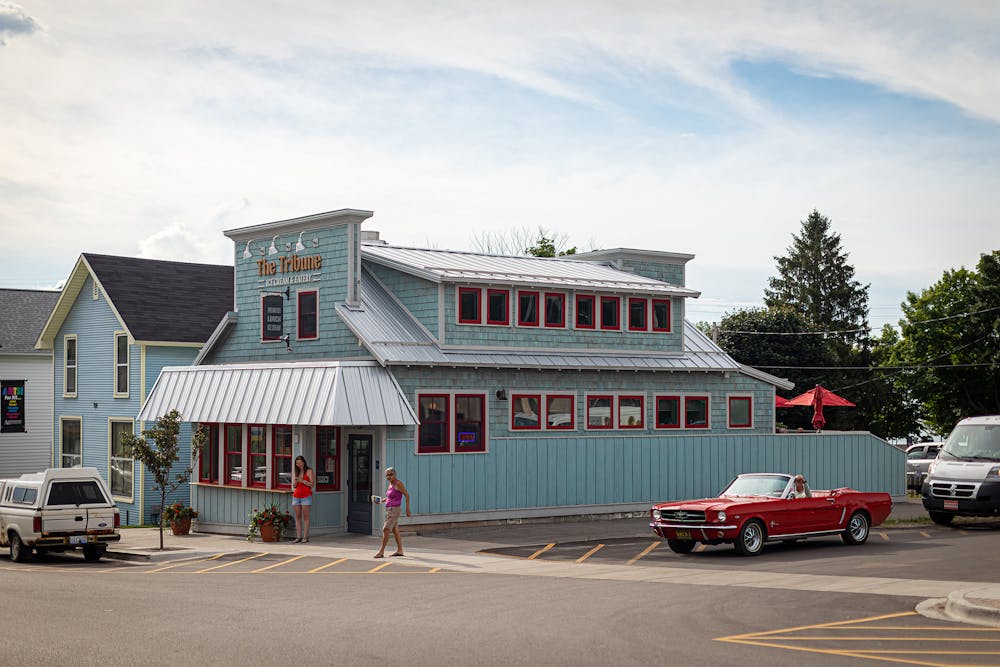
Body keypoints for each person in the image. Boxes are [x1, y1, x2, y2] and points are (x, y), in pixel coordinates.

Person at [373, 467, 411, 558]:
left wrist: (407, 509)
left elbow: (406, 495)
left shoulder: (398, 483)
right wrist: (381, 500)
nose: (389, 477)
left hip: (394, 510)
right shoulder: (390, 485)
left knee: (386, 529)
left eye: (391, 474)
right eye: (387, 475)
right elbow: (389, 498)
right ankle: (400, 550)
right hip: (389, 510)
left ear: (395, 475)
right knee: (395, 530)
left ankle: (381, 552)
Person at [291, 455, 313, 543]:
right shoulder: (296, 472)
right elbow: (294, 485)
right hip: (296, 496)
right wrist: (296, 481)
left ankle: (305, 537)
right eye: (297, 463)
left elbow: (312, 484)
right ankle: (299, 536)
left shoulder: (309, 471)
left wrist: (303, 481)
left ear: (303, 462)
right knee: (298, 517)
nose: (298, 465)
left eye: (300, 463)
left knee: (306, 517)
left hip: (306, 496)